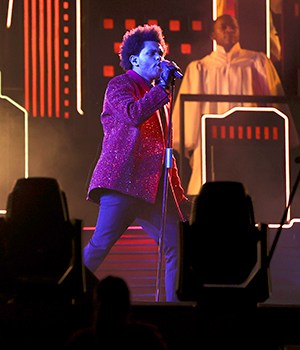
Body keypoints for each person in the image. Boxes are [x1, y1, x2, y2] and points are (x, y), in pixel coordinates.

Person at [83, 24, 190, 302]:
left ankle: (174, 311)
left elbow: (166, 152)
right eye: (153, 53)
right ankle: (66, 294)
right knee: (100, 245)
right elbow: (133, 114)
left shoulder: (161, 100)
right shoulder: (120, 86)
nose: (160, 59)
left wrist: (179, 196)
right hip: (121, 183)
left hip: (151, 190)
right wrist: (162, 89)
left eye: (162, 53)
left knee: (174, 246)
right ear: (134, 59)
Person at [172, 14, 299, 197]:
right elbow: (189, 116)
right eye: (223, 27)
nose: (229, 30)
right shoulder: (199, 68)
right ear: (212, 35)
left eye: (234, 27)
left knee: (253, 195)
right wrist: (189, 143)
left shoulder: (258, 63)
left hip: (250, 142)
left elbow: (275, 105)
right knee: (207, 193)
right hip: (211, 144)